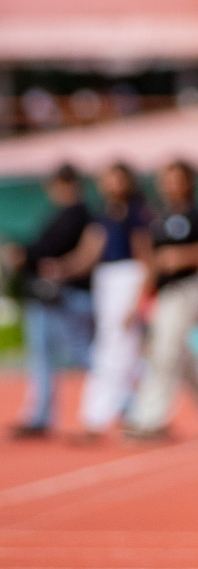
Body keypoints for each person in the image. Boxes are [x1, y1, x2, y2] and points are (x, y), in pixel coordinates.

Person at [123, 160, 198, 441]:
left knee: (165, 353)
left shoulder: (196, 215)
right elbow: (152, 264)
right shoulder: (159, 218)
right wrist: (138, 301)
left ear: (188, 182)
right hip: (166, 294)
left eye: (176, 179)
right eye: (166, 179)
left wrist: (181, 257)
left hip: (187, 289)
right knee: (184, 360)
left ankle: (149, 418)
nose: (170, 184)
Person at [54, 163, 154, 441]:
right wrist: (59, 268)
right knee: (115, 351)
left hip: (128, 281)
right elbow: (86, 256)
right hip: (107, 283)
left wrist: (139, 299)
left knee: (118, 351)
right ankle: (129, 412)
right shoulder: (102, 217)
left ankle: (102, 417)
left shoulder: (137, 215)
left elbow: (146, 259)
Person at [3, 164, 94, 439]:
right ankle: (40, 415)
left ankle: (123, 401)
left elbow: (51, 249)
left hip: (65, 296)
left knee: (82, 353)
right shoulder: (62, 214)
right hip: (48, 296)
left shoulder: (78, 214)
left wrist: (25, 255)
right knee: (43, 355)